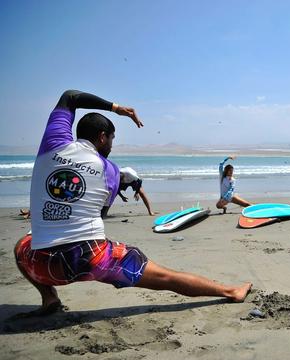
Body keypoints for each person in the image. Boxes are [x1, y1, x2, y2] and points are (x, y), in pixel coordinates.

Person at [14, 90, 252, 317]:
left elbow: (70, 96)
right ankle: (230, 291)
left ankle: (49, 298)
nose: (111, 145)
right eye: (112, 139)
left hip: (42, 264)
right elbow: (100, 213)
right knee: (166, 277)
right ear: (102, 137)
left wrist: (115, 109)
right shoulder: (110, 172)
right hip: (93, 259)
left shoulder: (52, 143)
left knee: (21, 245)